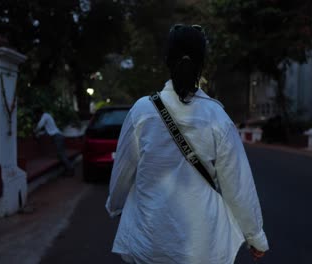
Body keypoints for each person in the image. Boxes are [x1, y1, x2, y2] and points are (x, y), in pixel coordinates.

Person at [105, 24, 269, 263]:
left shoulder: (141, 111)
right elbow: (239, 186)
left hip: (149, 244)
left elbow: (122, 172)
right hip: (202, 248)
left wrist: (114, 205)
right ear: (202, 64)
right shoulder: (218, 117)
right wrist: (255, 237)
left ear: (167, 60)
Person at [34, 108, 74, 176]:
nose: (37, 117)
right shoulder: (48, 116)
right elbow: (48, 131)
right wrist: (39, 134)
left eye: (37, 115)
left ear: (39, 114)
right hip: (59, 136)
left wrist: (34, 131)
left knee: (61, 154)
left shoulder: (45, 116)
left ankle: (70, 169)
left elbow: (39, 125)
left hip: (57, 137)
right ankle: (68, 169)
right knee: (61, 154)